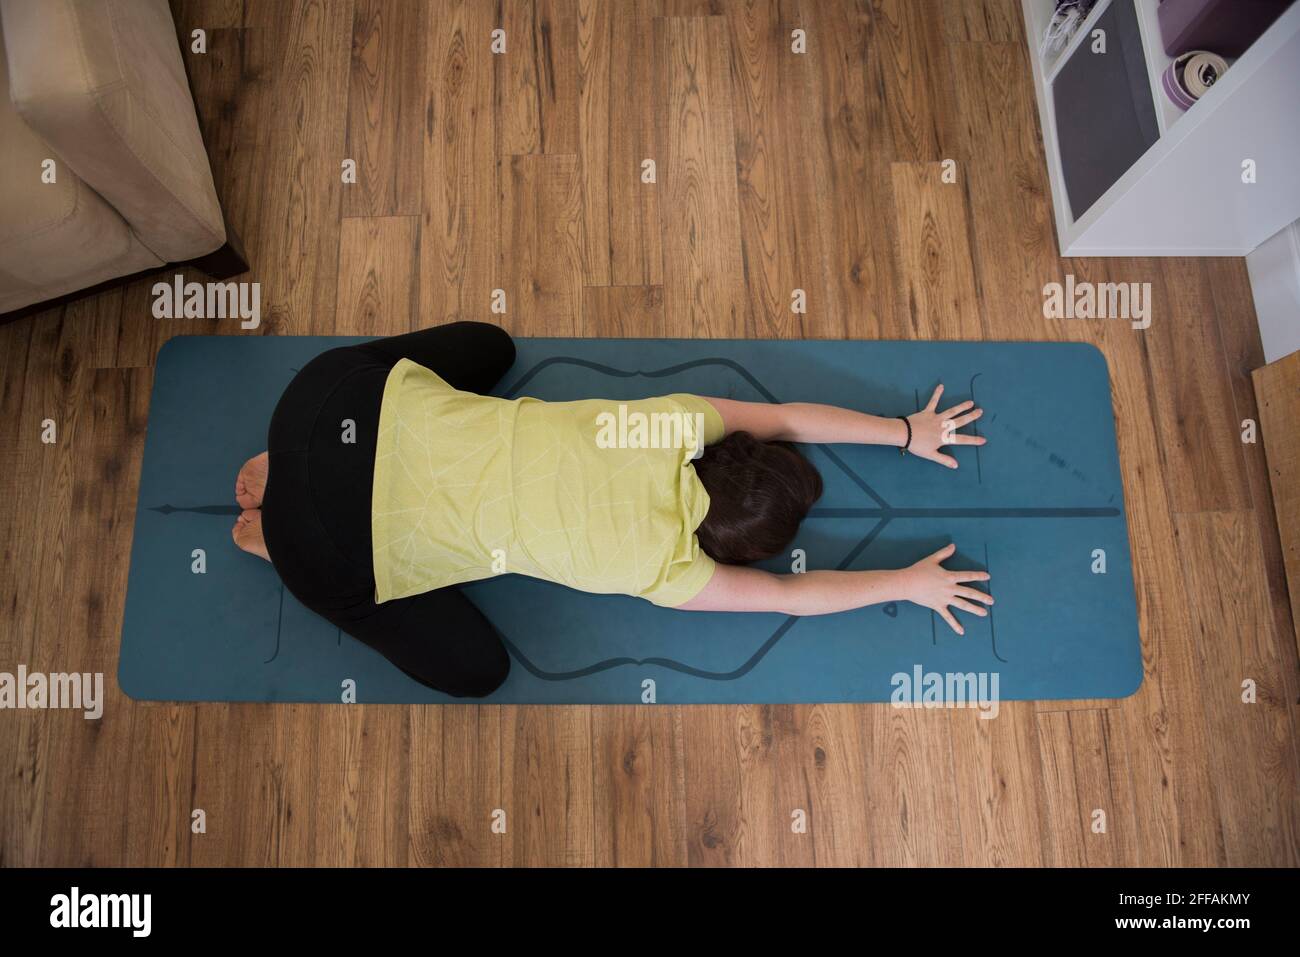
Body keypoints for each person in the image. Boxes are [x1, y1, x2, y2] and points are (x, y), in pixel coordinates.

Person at [232, 321, 992, 698]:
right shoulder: (672, 568)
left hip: (327, 397)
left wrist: (904, 431)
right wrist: (906, 583)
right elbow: (791, 596)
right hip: (321, 547)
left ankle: (288, 456)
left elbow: (789, 417)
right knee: (479, 673)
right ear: (726, 546)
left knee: (489, 347)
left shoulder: (675, 424)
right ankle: (275, 528)